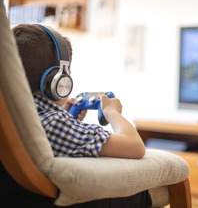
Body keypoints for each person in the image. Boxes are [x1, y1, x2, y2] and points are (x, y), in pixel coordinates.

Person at [12, 24, 145, 159]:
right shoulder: (54, 124)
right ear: (58, 82)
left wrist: (64, 115)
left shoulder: (13, 116)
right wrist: (112, 112)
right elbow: (135, 147)